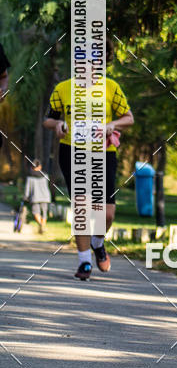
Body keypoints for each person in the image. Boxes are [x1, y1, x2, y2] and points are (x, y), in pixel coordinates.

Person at [43, 39, 134, 280]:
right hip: (72, 151)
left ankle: (97, 241)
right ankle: (84, 262)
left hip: (103, 154)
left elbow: (129, 117)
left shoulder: (111, 87)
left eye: (96, 59)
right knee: (82, 206)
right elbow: (48, 120)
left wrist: (112, 123)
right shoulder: (63, 88)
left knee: (107, 214)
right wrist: (59, 124)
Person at [23, 159, 52, 234]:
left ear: (32, 167)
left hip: (35, 197)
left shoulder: (30, 177)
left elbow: (27, 188)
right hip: (45, 197)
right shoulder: (45, 175)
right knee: (44, 212)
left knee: (36, 212)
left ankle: (40, 224)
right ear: (40, 166)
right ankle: (43, 226)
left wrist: (25, 197)